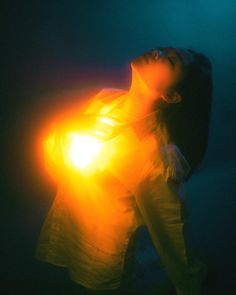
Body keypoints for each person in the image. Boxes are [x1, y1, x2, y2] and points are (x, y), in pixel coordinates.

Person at [36, 47, 212, 295]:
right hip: (67, 226)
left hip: (102, 257)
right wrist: (67, 127)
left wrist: (188, 284)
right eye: (164, 51)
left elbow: (170, 230)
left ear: (171, 96)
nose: (158, 54)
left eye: (171, 61)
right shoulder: (105, 99)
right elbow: (60, 164)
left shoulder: (154, 158)